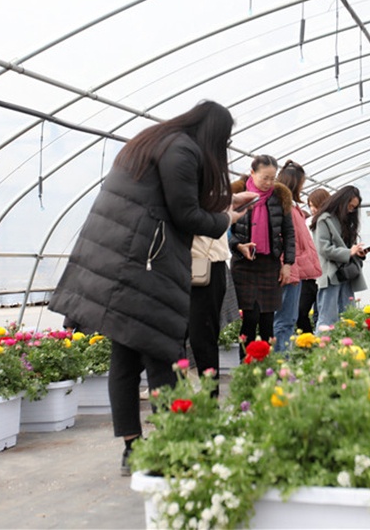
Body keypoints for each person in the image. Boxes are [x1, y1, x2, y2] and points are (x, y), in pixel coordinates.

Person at [48, 100, 252, 476]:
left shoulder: (155, 141)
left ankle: (135, 449)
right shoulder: (183, 150)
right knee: (162, 352)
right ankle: (169, 447)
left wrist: (226, 202)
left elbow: (173, 200)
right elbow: (185, 214)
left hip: (120, 258)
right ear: (214, 133)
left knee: (126, 356)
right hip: (143, 262)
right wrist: (225, 218)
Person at [229, 155, 296, 351]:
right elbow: (225, 230)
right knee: (250, 318)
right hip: (244, 264)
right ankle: (247, 362)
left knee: (267, 320)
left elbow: (289, 233)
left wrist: (287, 264)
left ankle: (267, 362)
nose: (268, 183)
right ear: (252, 173)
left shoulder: (280, 197)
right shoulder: (237, 195)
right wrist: (238, 246)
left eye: (272, 178)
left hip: (269, 265)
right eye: (264, 177)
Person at [273, 160, 321, 353]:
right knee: (284, 320)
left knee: (289, 319)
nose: (302, 187)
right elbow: (284, 240)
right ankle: (279, 360)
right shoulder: (283, 207)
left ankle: (282, 359)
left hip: (294, 268)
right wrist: (285, 265)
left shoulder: (293, 208)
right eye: (301, 183)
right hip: (289, 269)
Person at [312, 185, 368, 329]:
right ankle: (323, 343)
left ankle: (345, 343)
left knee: (349, 317)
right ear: (342, 201)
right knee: (327, 318)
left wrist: (357, 252)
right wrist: (349, 252)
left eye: (354, 207)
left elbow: (345, 247)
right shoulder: (324, 219)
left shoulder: (344, 220)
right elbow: (324, 249)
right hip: (331, 275)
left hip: (345, 274)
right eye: (350, 206)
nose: (351, 210)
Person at [187, 232, 230, 392]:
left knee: (202, 339)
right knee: (169, 338)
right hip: (175, 264)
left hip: (205, 265)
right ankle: (172, 398)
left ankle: (210, 399)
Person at [297, 188, 330, 333]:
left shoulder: (330, 222)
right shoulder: (307, 222)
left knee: (321, 313)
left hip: (325, 273)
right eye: (310, 205)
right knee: (301, 311)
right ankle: (309, 339)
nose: (312, 209)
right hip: (308, 274)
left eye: (314, 205)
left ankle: (319, 341)